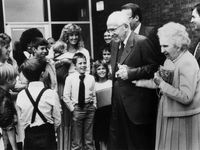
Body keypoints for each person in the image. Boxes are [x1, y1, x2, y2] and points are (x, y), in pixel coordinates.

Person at [106, 11, 159, 150]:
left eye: (113, 29)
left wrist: (131, 73)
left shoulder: (141, 41)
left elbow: (154, 68)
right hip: (118, 107)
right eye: (108, 29)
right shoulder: (114, 44)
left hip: (136, 109)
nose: (110, 33)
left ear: (125, 26)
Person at [153, 22, 200, 150]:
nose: (162, 51)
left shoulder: (187, 62)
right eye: (161, 46)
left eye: (166, 46)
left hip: (183, 119)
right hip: (171, 114)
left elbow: (186, 97)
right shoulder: (170, 59)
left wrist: (161, 84)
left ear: (178, 46)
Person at [16, 58, 61, 150]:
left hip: (30, 136)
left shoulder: (21, 95)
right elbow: (57, 119)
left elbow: (22, 121)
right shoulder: (51, 94)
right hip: (48, 136)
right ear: (42, 74)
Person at [63, 52, 96, 150]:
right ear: (75, 65)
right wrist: (73, 109)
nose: (83, 65)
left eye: (85, 63)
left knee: (89, 139)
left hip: (89, 108)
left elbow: (93, 94)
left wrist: (94, 105)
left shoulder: (91, 78)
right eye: (80, 63)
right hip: (77, 109)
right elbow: (66, 96)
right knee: (77, 140)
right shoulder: (70, 78)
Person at [93, 60, 112, 150]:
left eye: (103, 68)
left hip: (111, 114)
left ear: (107, 70)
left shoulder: (111, 83)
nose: (101, 71)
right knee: (101, 139)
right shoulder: (94, 85)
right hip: (100, 116)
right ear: (95, 71)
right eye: (99, 69)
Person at [0, 63, 18, 150]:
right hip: (6, 139)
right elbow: (8, 126)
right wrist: (15, 147)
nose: (16, 81)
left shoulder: (4, 93)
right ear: (8, 80)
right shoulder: (5, 99)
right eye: (15, 78)